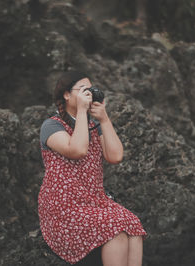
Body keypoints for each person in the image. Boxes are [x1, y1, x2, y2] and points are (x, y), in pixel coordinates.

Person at [38, 71, 147, 266]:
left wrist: (104, 120)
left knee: (133, 225)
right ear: (66, 94)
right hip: (64, 207)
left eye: (90, 90)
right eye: (82, 90)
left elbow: (115, 156)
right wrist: (81, 111)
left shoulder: (93, 126)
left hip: (93, 201)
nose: (88, 94)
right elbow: (77, 149)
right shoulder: (52, 126)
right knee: (115, 229)